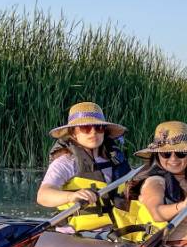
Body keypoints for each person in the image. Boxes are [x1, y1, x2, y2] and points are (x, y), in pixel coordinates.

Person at [37, 101, 130, 236]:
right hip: (74, 233)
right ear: (73, 133)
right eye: (85, 128)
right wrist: (71, 196)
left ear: (104, 131)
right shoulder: (66, 162)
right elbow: (43, 195)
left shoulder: (116, 161)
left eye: (98, 127)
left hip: (115, 231)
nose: (93, 132)